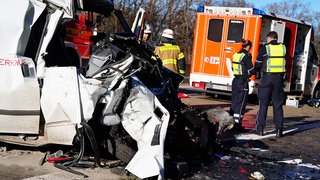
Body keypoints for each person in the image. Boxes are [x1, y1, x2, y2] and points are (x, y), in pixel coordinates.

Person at [254, 31, 286, 137]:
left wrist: (257, 70)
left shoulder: (265, 48)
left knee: (263, 105)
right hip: (279, 79)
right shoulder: (283, 48)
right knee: (278, 105)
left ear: (269, 38)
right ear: (276, 38)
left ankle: (260, 129)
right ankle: (279, 130)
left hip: (267, 78)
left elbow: (258, 64)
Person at [230, 39, 255, 130]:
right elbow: (252, 70)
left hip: (235, 80)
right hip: (243, 82)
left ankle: (231, 122)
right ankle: (237, 125)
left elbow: (233, 68)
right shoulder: (246, 56)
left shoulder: (236, 55)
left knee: (234, 102)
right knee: (241, 103)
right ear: (248, 47)